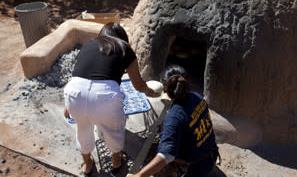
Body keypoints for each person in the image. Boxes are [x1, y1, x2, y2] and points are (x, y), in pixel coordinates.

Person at [63, 22, 159, 176]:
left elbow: (80, 77)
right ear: (122, 37)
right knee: (114, 131)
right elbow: (138, 85)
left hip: (74, 93)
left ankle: (87, 164)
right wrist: (152, 92)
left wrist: (69, 105)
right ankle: (116, 161)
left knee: (83, 128)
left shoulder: (87, 46)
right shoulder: (124, 48)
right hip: (105, 98)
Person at [129, 65, 219, 177]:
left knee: (161, 157)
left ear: (165, 90)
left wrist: (139, 175)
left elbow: (166, 156)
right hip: (210, 154)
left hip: (196, 168)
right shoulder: (197, 97)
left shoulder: (174, 116)